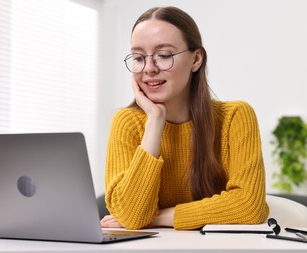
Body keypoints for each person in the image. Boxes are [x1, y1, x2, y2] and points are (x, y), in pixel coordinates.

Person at [100, 6, 269, 230]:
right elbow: (131, 215)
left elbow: (249, 206)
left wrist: (157, 217)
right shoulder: (127, 122)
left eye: (164, 55)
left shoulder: (235, 117)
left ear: (196, 59)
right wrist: (155, 123)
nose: (149, 68)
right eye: (139, 57)